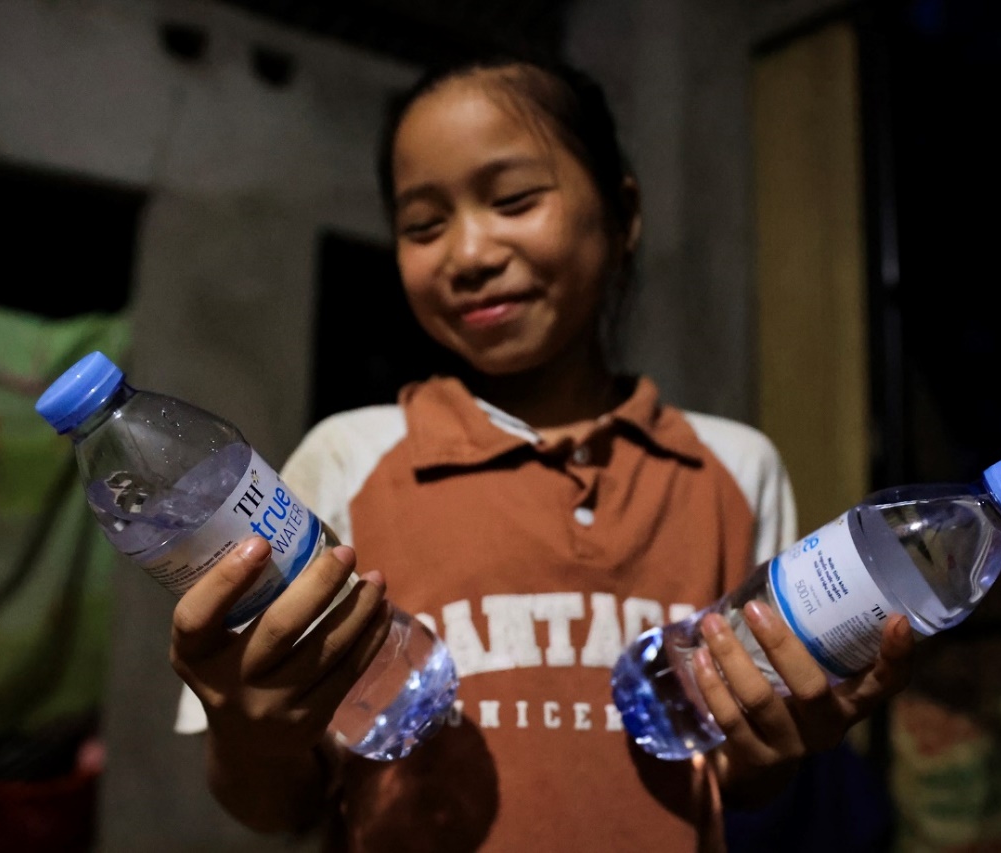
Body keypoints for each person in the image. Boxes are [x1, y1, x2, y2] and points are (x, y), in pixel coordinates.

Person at [168, 54, 915, 852]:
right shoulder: (349, 455)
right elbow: (280, 805)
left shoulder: (735, 466)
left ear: (623, 214)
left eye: (514, 200)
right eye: (424, 225)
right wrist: (246, 728)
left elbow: (734, 774)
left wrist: (775, 750)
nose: (469, 253)